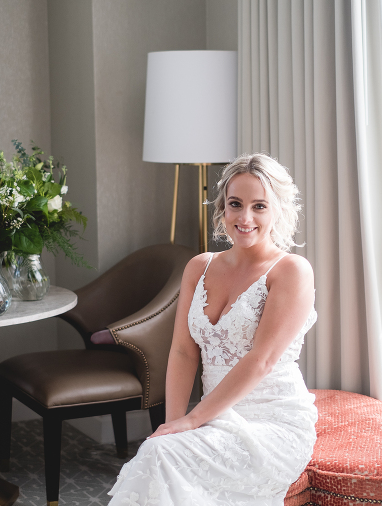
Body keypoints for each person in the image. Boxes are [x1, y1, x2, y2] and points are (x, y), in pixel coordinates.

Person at [108, 154, 317, 505]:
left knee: (157, 457)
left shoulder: (291, 271)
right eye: (235, 204)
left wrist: (192, 422)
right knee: (161, 450)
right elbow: (183, 351)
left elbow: (261, 360)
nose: (245, 218)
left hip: (272, 424)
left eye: (259, 206)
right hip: (214, 416)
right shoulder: (199, 267)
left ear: (277, 211)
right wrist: (174, 425)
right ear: (222, 207)